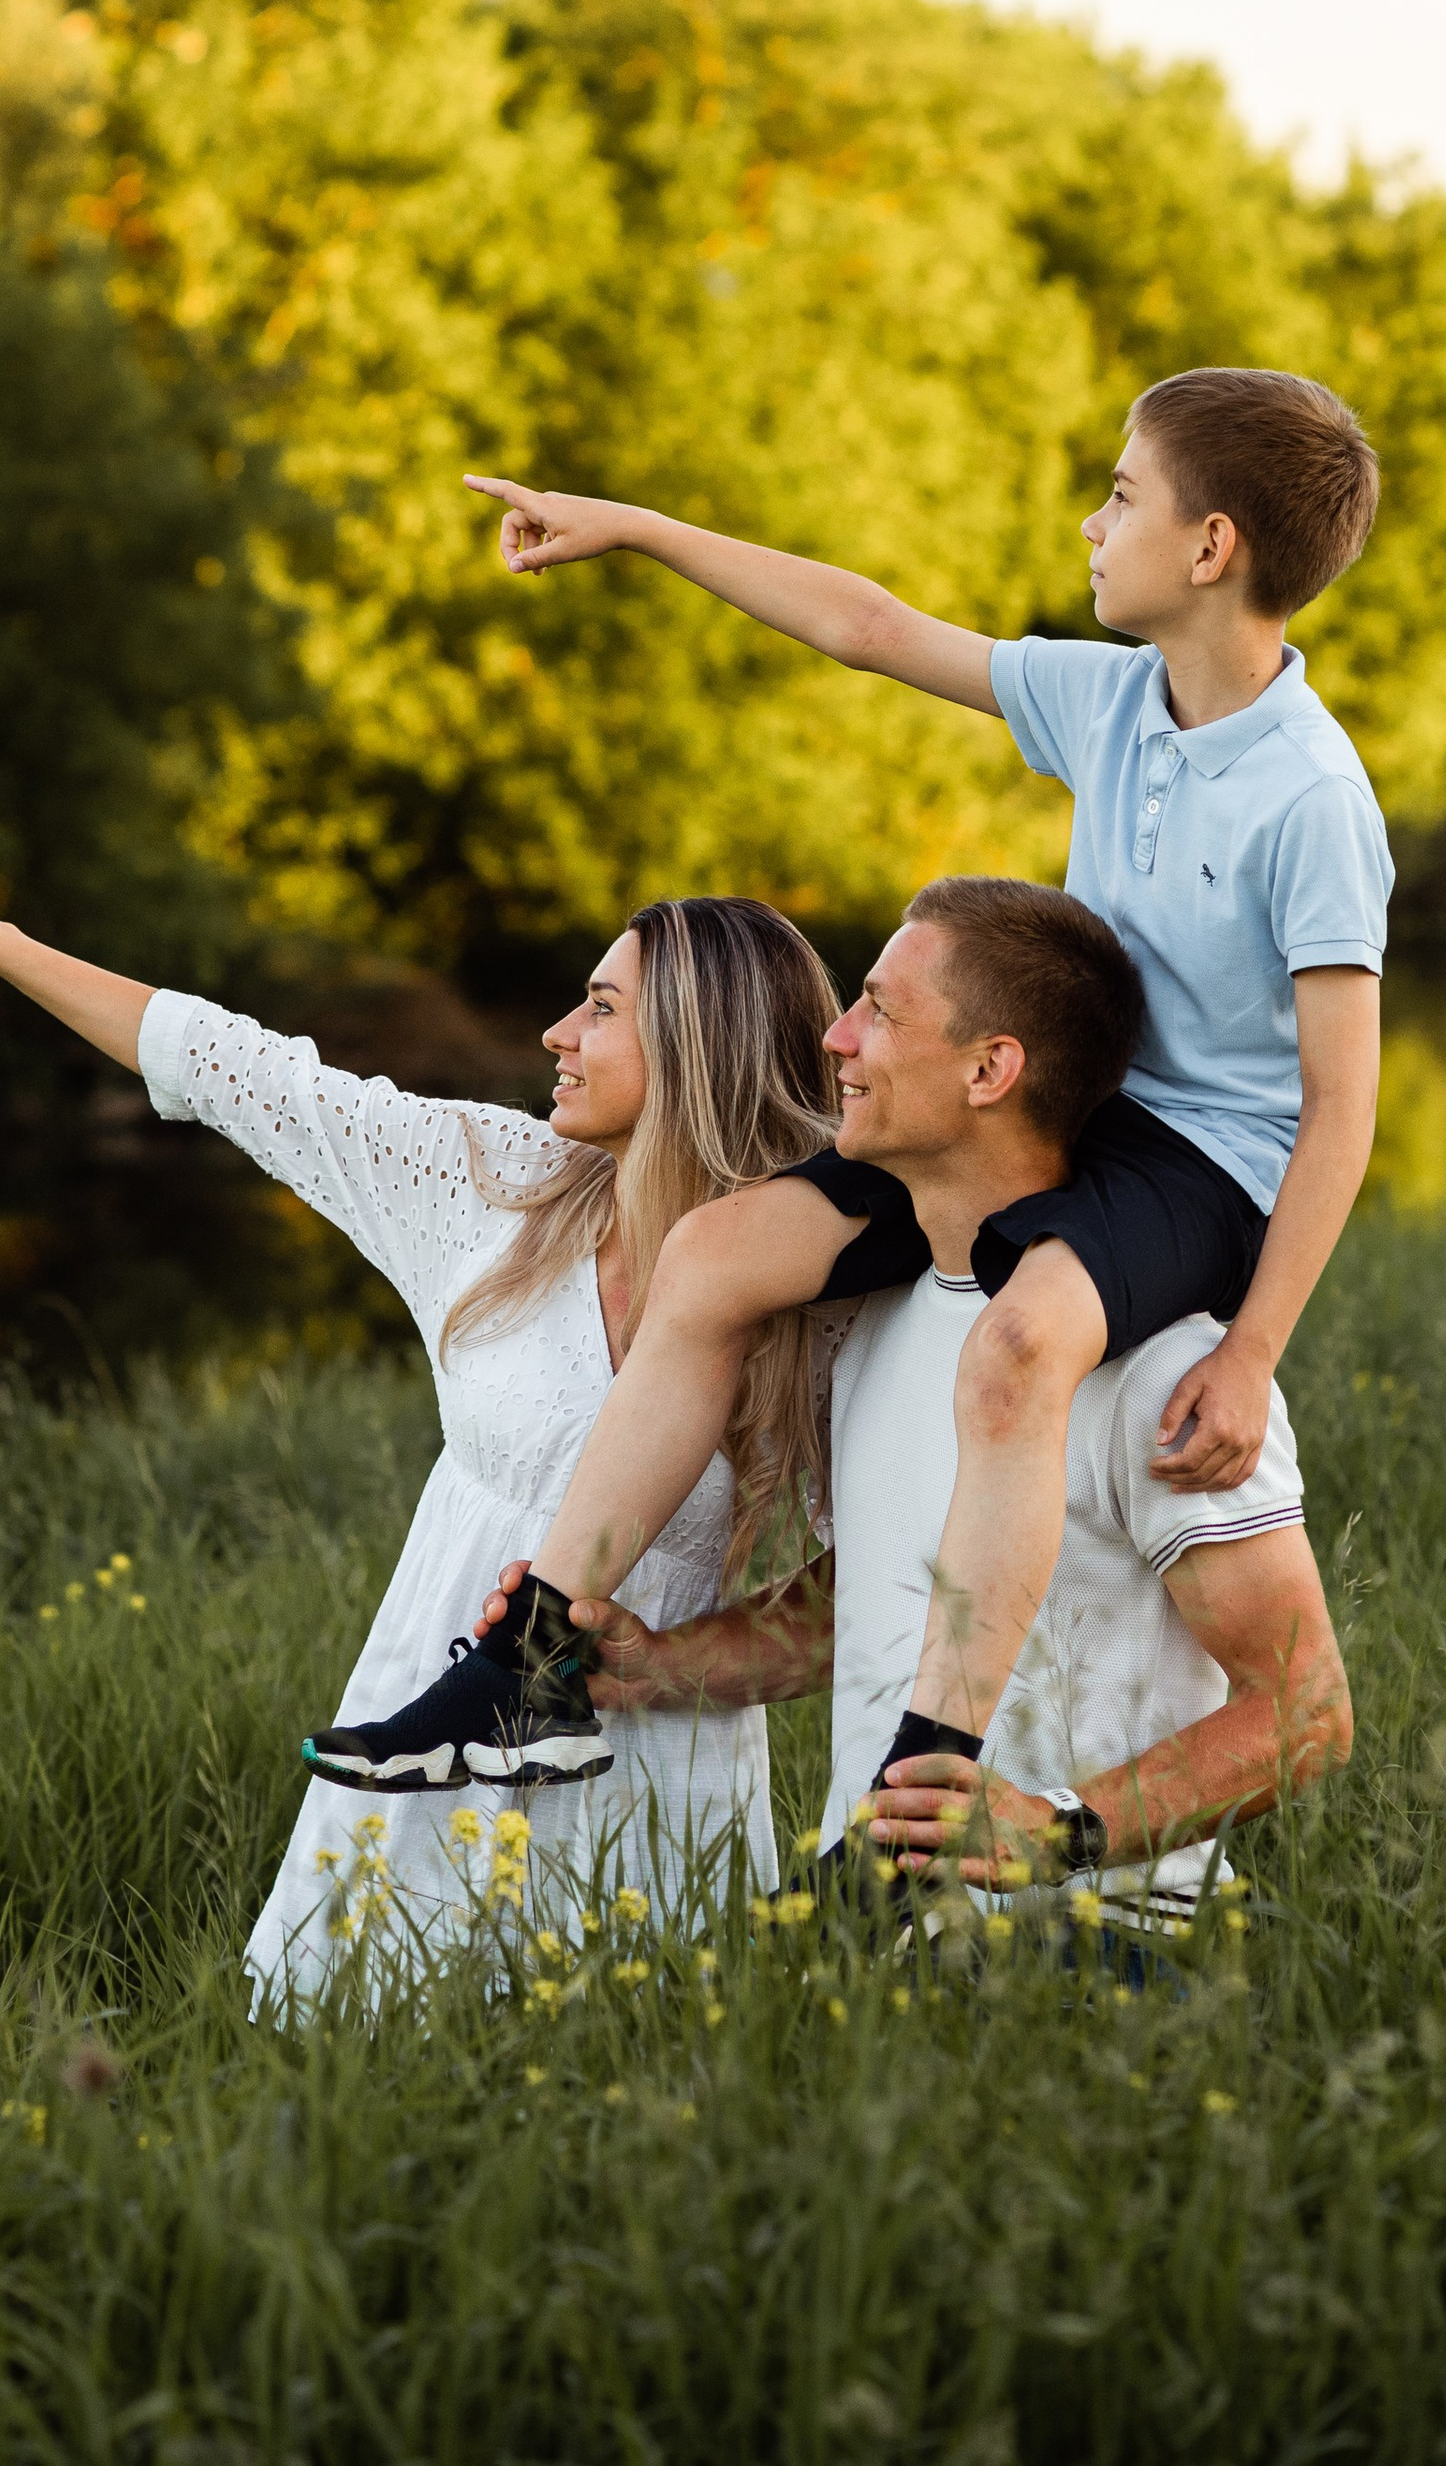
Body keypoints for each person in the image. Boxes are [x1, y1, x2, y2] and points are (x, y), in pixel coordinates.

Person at [311, 367, 1387, 1820]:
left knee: (1017, 1348)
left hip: (1200, 1166)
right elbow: (867, 626)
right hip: (1081, 1110)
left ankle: (917, 1780)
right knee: (719, 1250)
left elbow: (1340, 1108)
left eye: (1121, 492)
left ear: (1210, 548)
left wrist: (1252, 1351)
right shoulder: (1114, 697)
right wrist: (632, 527)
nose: (1091, 517)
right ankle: (530, 1657)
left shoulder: (1315, 797)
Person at [0, 823, 840, 2001]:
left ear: (700, 1050)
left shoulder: (808, 1295)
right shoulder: (490, 1185)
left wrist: (669, 1666)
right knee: (368, 2052)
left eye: (603, 1009)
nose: (558, 1034)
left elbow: (874, 1577)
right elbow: (240, 1070)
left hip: (652, 1757)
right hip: (431, 1701)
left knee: (617, 2083)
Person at [477, 878, 1353, 1936]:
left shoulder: (1160, 1367)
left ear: (990, 1069)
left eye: (880, 1012)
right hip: (882, 1952)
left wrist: (1055, 1829)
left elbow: (1303, 1708)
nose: (837, 1040)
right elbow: (864, 1598)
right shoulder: (877, 1322)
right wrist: (657, 1666)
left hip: (1098, 1953)